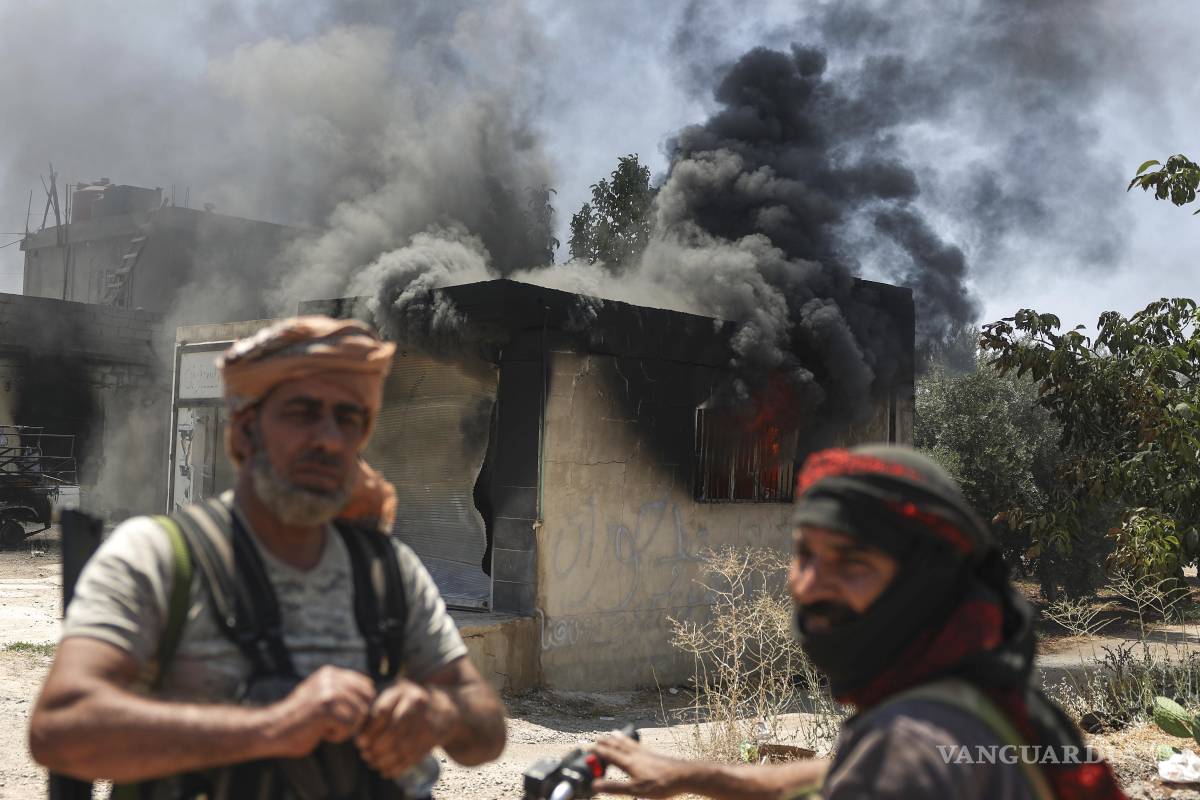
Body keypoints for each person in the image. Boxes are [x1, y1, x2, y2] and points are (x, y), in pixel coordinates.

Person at [29, 316, 506, 798]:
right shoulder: (158, 557)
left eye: (349, 418)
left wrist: (436, 713)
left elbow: (485, 730)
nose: (329, 439)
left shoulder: (389, 571)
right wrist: (271, 727)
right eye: (302, 412)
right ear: (244, 433)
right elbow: (62, 728)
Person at [591, 445, 1127, 800]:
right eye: (804, 555)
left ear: (925, 580)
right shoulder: (972, 693)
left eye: (852, 562)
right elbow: (837, 771)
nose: (808, 584)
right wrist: (695, 774)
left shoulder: (908, 747)